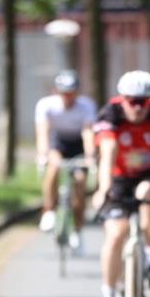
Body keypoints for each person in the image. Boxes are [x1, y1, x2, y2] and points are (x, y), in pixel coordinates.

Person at [92, 70, 150, 297]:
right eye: (132, 101)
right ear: (122, 99)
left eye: (143, 102)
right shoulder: (110, 115)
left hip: (147, 174)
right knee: (116, 234)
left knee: (149, 193)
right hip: (118, 176)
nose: (138, 108)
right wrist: (102, 189)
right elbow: (107, 155)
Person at [35, 70, 98, 253]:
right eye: (64, 93)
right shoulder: (46, 105)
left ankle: (77, 230)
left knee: (79, 184)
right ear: (56, 91)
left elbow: (88, 133)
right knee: (53, 167)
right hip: (58, 142)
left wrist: (90, 156)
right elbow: (43, 133)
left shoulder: (86, 106)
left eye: (71, 93)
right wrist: (42, 155)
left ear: (77, 92)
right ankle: (48, 211)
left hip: (77, 144)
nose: (68, 97)